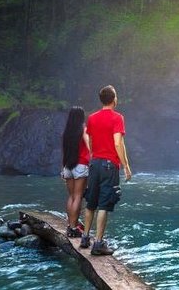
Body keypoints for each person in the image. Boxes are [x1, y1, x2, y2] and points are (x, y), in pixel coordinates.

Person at [80, 85, 133, 255]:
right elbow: (118, 143)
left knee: (91, 201)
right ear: (114, 99)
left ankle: (85, 238)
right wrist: (126, 166)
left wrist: (93, 154)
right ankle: (98, 244)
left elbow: (89, 137)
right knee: (104, 203)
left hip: (94, 163)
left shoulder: (92, 118)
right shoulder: (117, 118)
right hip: (109, 165)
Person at [61, 106, 91, 238]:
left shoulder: (66, 133)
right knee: (78, 197)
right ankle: (74, 228)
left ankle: (70, 225)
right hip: (81, 166)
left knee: (72, 196)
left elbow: (64, 152)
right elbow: (90, 147)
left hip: (68, 167)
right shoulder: (83, 130)